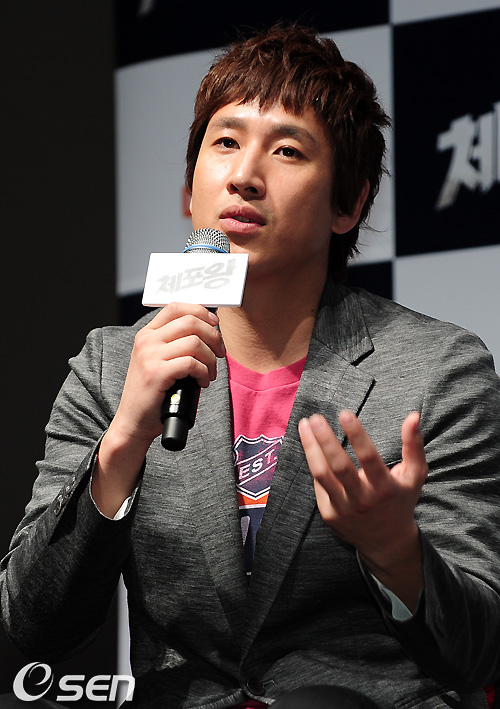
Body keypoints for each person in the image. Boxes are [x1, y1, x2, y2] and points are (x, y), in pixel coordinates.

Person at [2, 22, 500, 709]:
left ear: (349, 204)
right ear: (189, 189)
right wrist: (120, 447)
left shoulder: (438, 369)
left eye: (287, 150)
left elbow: (480, 651)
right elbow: (35, 624)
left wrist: (396, 551)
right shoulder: (112, 365)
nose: (244, 175)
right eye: (226, 142)